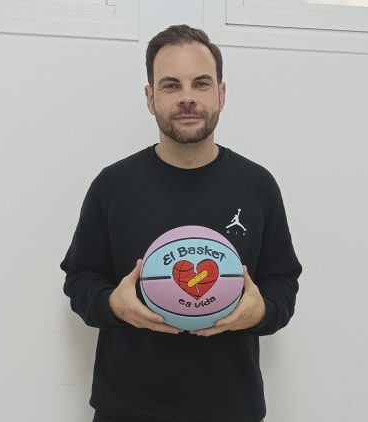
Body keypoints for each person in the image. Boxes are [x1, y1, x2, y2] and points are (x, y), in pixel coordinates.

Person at [60, 24, 302, 422]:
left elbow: (283, 282)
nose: (187, 98)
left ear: (221, 94)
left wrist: (262, 312)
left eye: (201, 84)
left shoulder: (257, 185)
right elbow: (80, 278)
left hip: (231, 409)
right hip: (127, 409)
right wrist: (111, 305)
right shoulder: (113, 185)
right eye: (171, 85)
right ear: (150, 97)